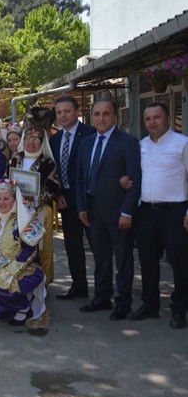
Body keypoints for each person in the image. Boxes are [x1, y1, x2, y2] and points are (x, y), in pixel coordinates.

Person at [124, 103, 188, 329]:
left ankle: (179, 309)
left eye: (157, 117)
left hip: (175, 212)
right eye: (148, 118)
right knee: (148, 262)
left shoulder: (182, 144)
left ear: (168, 118)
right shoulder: (140, 146)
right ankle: (150, 305)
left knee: (180, 263)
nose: (152, 121)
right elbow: (135, 177)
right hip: (147, 213)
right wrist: (125, 181)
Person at [76, 99, 141, 321]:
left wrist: (127, 212)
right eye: (97, 114)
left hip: (118, 212)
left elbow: (135, 179)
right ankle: (102, 297)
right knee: (101, 257)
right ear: (92, 117)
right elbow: (80, 178)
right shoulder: (86, 142)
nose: (101, 118)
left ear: (115, 116)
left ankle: (123, 302)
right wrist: (81, 206)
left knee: (122, 259)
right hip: (93, 210)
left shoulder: (127, 142)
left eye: (106, 114)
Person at [0, 179, 48, 329]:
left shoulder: (24, 218)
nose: (1, 202)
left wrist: (10, 272)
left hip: (26, 270)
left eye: (6, 198)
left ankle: (25, 307)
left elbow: (31, 250)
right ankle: (19, 300)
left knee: (0, 287)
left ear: (14, 199)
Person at [49, 95, 96, 300]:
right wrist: (58, 194)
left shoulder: (91, 134)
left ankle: (103, 292)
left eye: (67, 111)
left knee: (98, 246)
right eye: (59, 112)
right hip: (66, 200)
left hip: (88, 199)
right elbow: (54, 172)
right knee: (73, 247)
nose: (63, 115)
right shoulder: (55, 139)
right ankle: (79, 287)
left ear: (76, 111)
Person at [8, 111, 60, 285]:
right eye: (28, 139)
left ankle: (42, 280)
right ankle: (19, 278)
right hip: (16, 209)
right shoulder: (15, 159)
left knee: (40, 246)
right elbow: (7, 181)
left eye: (35, 139)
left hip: (39, 210)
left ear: (41, 141)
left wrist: (36, 198)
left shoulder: (48, 163)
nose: (31, 142)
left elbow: (54, 189)